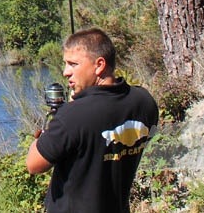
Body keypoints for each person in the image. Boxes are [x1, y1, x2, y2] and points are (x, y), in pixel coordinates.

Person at [26, 28, 158, 213]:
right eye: (65, 64)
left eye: (73, 64)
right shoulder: (144, 101)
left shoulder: (73, 116)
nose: (65, 72)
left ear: (99, 65)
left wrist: (43, 136)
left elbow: (33, 165)